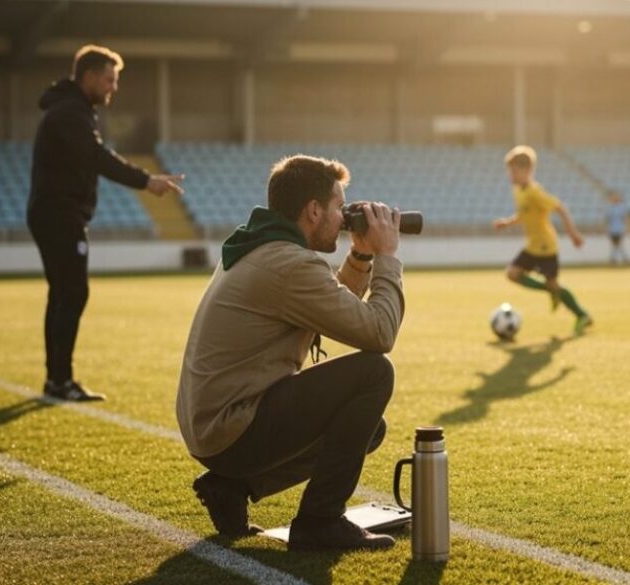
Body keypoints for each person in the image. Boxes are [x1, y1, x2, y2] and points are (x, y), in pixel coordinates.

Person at [177, 154, 405, 552]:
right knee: (374, 372)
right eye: (339, 207)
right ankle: (320, 521)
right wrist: (387, 258)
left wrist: (362, 256)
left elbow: (328, 308)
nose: (344, 217)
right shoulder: (288, 263)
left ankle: (233, 487)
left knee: (371, 428)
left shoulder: (261, 245)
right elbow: (378, 332)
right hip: (232, 428)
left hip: (215, 426)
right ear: (314, 210)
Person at [28, 44, 184, 401]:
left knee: (64, 294)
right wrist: (148, 181)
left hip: (54, 211)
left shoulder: (72, 109)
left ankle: (57, 379)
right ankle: (60, 380)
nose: (114, 87)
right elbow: (97, 157)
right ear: (90, 77)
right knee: (72, 292)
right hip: (59, 213)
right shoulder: (71, 112)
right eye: (110, 80)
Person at [493, 145, 593, 336]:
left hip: (547, 247)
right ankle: (551, 291)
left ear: (527, 171)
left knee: (553, 284)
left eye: (514, 171)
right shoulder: (518, 191)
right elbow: (524, 213)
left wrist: (573, 234)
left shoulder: (535, 192)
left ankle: (582, 315)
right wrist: (507, 223)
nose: (510, 175)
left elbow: (560, 208)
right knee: (512, 274)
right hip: (532, 246)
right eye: (509, 171)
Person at [605, 191, 630, 265]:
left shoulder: (621, 207)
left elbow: (625, 218)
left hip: (619, 229)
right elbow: (608, 219)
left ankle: (620, 259)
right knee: (614, 245)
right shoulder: (610, 207)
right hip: (612, 229)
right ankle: (616, 259)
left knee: (619, 245)